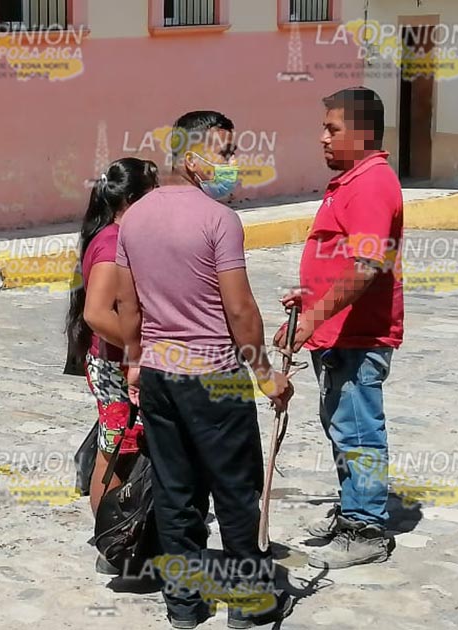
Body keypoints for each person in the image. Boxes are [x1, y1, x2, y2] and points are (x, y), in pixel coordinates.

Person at [114, 111, 293, 629]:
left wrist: (133, 362)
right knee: (236, 492)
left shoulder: (136, 218)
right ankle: (248, 604)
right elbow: (240, 310)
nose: (234, 163)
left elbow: (128, 303)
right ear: (192, 160)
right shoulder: (219, 221)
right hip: (214, 375)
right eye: (226, 152)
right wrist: (265, 374)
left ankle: (184, 608)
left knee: (176, 494)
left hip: (160, 378)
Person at [274, 87, 403, 570]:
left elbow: (368, 263)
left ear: (363, 133)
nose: (322, 138)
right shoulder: (351, 182)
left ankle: (366, 526)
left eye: (333, 129)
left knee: (359, 429)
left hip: (358, 335)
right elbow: (343, 259)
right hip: (336, 332)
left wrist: (313, 316)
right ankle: (353, 508)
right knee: (342, 425)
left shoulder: (371, 184)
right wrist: (309, 299)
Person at [64, 157, 159, 569]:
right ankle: (111, 540)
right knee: (116, 449)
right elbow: (97, 315)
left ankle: (125, 530)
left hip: (121, 361)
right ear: (133, 200)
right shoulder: (110, 244)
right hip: (115, 364)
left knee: (125, 447)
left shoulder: (119, 236)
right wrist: (144, 348)